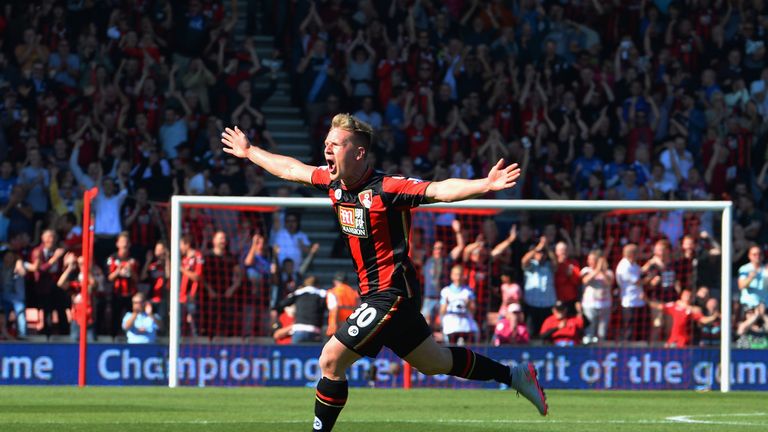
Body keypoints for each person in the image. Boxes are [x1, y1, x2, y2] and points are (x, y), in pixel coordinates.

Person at [221, 113, 546, 431]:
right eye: (326, 143)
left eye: (336, 144)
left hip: (392, 294)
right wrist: (250, 152)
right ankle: (514, 375)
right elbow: (292, 169)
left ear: (359, 152)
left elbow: (439, 190)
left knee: (331, 360)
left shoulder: (388, 188)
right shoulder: (333, 183)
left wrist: (484, 185)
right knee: (434, 363)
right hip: (377, 296)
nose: (327, 150)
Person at [274, 275, 327, 343]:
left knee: (296, 353)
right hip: (315, 331)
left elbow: (281, 304)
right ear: (317, 285)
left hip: (299, 330)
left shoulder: (299, 293)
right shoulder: (322, 294)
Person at [439, 264, 480, 345]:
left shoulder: (468, 291)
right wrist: (446, 304)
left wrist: (468, 304)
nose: (458, 277)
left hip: (465, 327)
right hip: (451, 327)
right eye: (456, 275)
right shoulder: (446, 291)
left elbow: (473, 310)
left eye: (460, 275)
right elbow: (442, 312)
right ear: (452, 276)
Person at [580, 249, 614, 344]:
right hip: (589, 305)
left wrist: (602, 271)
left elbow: (609, 283)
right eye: (589, 259)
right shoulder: (586, 270)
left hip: (605, 305)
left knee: (602, 331)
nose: (589, 261)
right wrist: (597, 269)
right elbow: (585, 280)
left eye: (592, 259)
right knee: (589, 329)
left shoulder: (608, 273)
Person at [616, 244, 648, 341]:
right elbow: (637, 282)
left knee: (638, 329)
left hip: (638, 300)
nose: (639, 254)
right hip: (629, 302)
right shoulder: (624, 267)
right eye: (637, 252)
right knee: (629, 328)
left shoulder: (633, 264)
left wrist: (650, 263)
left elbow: (640, 271)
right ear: (632, 254)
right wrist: (651, 278)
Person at [326, 272, 359, 338]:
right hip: (350, 327)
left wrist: (335, 326)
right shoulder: (354, 293)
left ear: (335, 281)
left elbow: (334, 309)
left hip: (336, 328)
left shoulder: (332, 292)